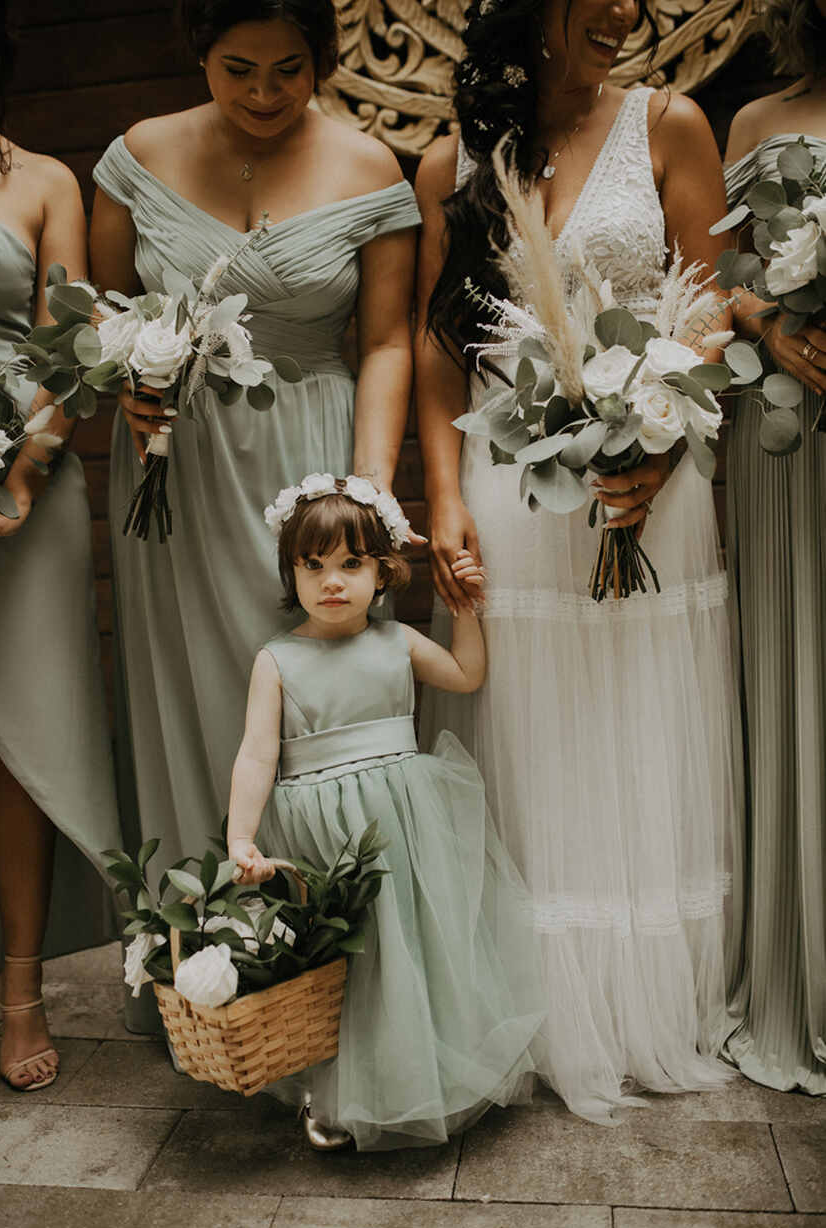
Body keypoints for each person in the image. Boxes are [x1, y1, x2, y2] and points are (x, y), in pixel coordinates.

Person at [414, 0, 742, 1121]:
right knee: (535, 729)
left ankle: (649, 1000)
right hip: (510, 485)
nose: (619, 11)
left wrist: (655, 439)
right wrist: (445, 498)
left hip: (650, 473)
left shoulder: (672, 124)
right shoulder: (452, 157)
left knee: (643, 723)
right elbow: (436, 345)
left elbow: (713, 314)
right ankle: (539, 1005)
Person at [89, 0, 420, 1029]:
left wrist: (359, 498)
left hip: (308, 464)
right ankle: (211, 985)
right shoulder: (135, 157)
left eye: (291, 70)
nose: (268, 95)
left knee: (320, 713)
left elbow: (385, 344)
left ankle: (335, 987)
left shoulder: (369, 168)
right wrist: (124, 381)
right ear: (198, 55)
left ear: (321, 60)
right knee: (201, 702)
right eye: (240, 70)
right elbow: (101, 309)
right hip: (172, 473)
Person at [227, 474, 545, 1151]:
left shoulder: (395, 641)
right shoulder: (278, 659)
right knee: (349, 960)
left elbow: (465, 675)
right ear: (290, 572)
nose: (331, 581)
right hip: (323, 832)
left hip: (399, 822)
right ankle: (337, 1086)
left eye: (350, 563)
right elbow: (257, 754)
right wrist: (241, 835)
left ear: (383, 570)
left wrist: (466, 606)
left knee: (410, 949)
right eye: (312, 566)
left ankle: (422, 1073)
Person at [0, 0, 120, 1089]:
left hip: (24, 476)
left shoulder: (44, 181)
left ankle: (22, 994)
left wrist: (12, 476)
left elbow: (74, 342)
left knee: (13, 739)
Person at [721, 0, 826, 1095]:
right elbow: (724, 278)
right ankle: (796, 969)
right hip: (785, 436)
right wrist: (774, 327)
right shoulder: (754, 118)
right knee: (795, 676)